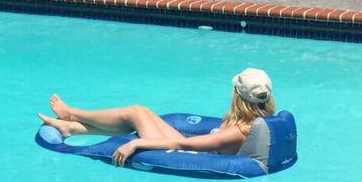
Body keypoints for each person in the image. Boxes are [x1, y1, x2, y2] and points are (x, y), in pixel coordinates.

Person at [38, 68, 275, 167]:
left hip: (185, 154)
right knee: (142, 112)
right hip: (195, 148)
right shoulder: (256, 119)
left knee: (135, 112)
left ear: (238, 96)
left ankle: (72, 114)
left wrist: (137, 143)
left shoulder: (237, 131)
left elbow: (186, 145)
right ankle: (73, 128)